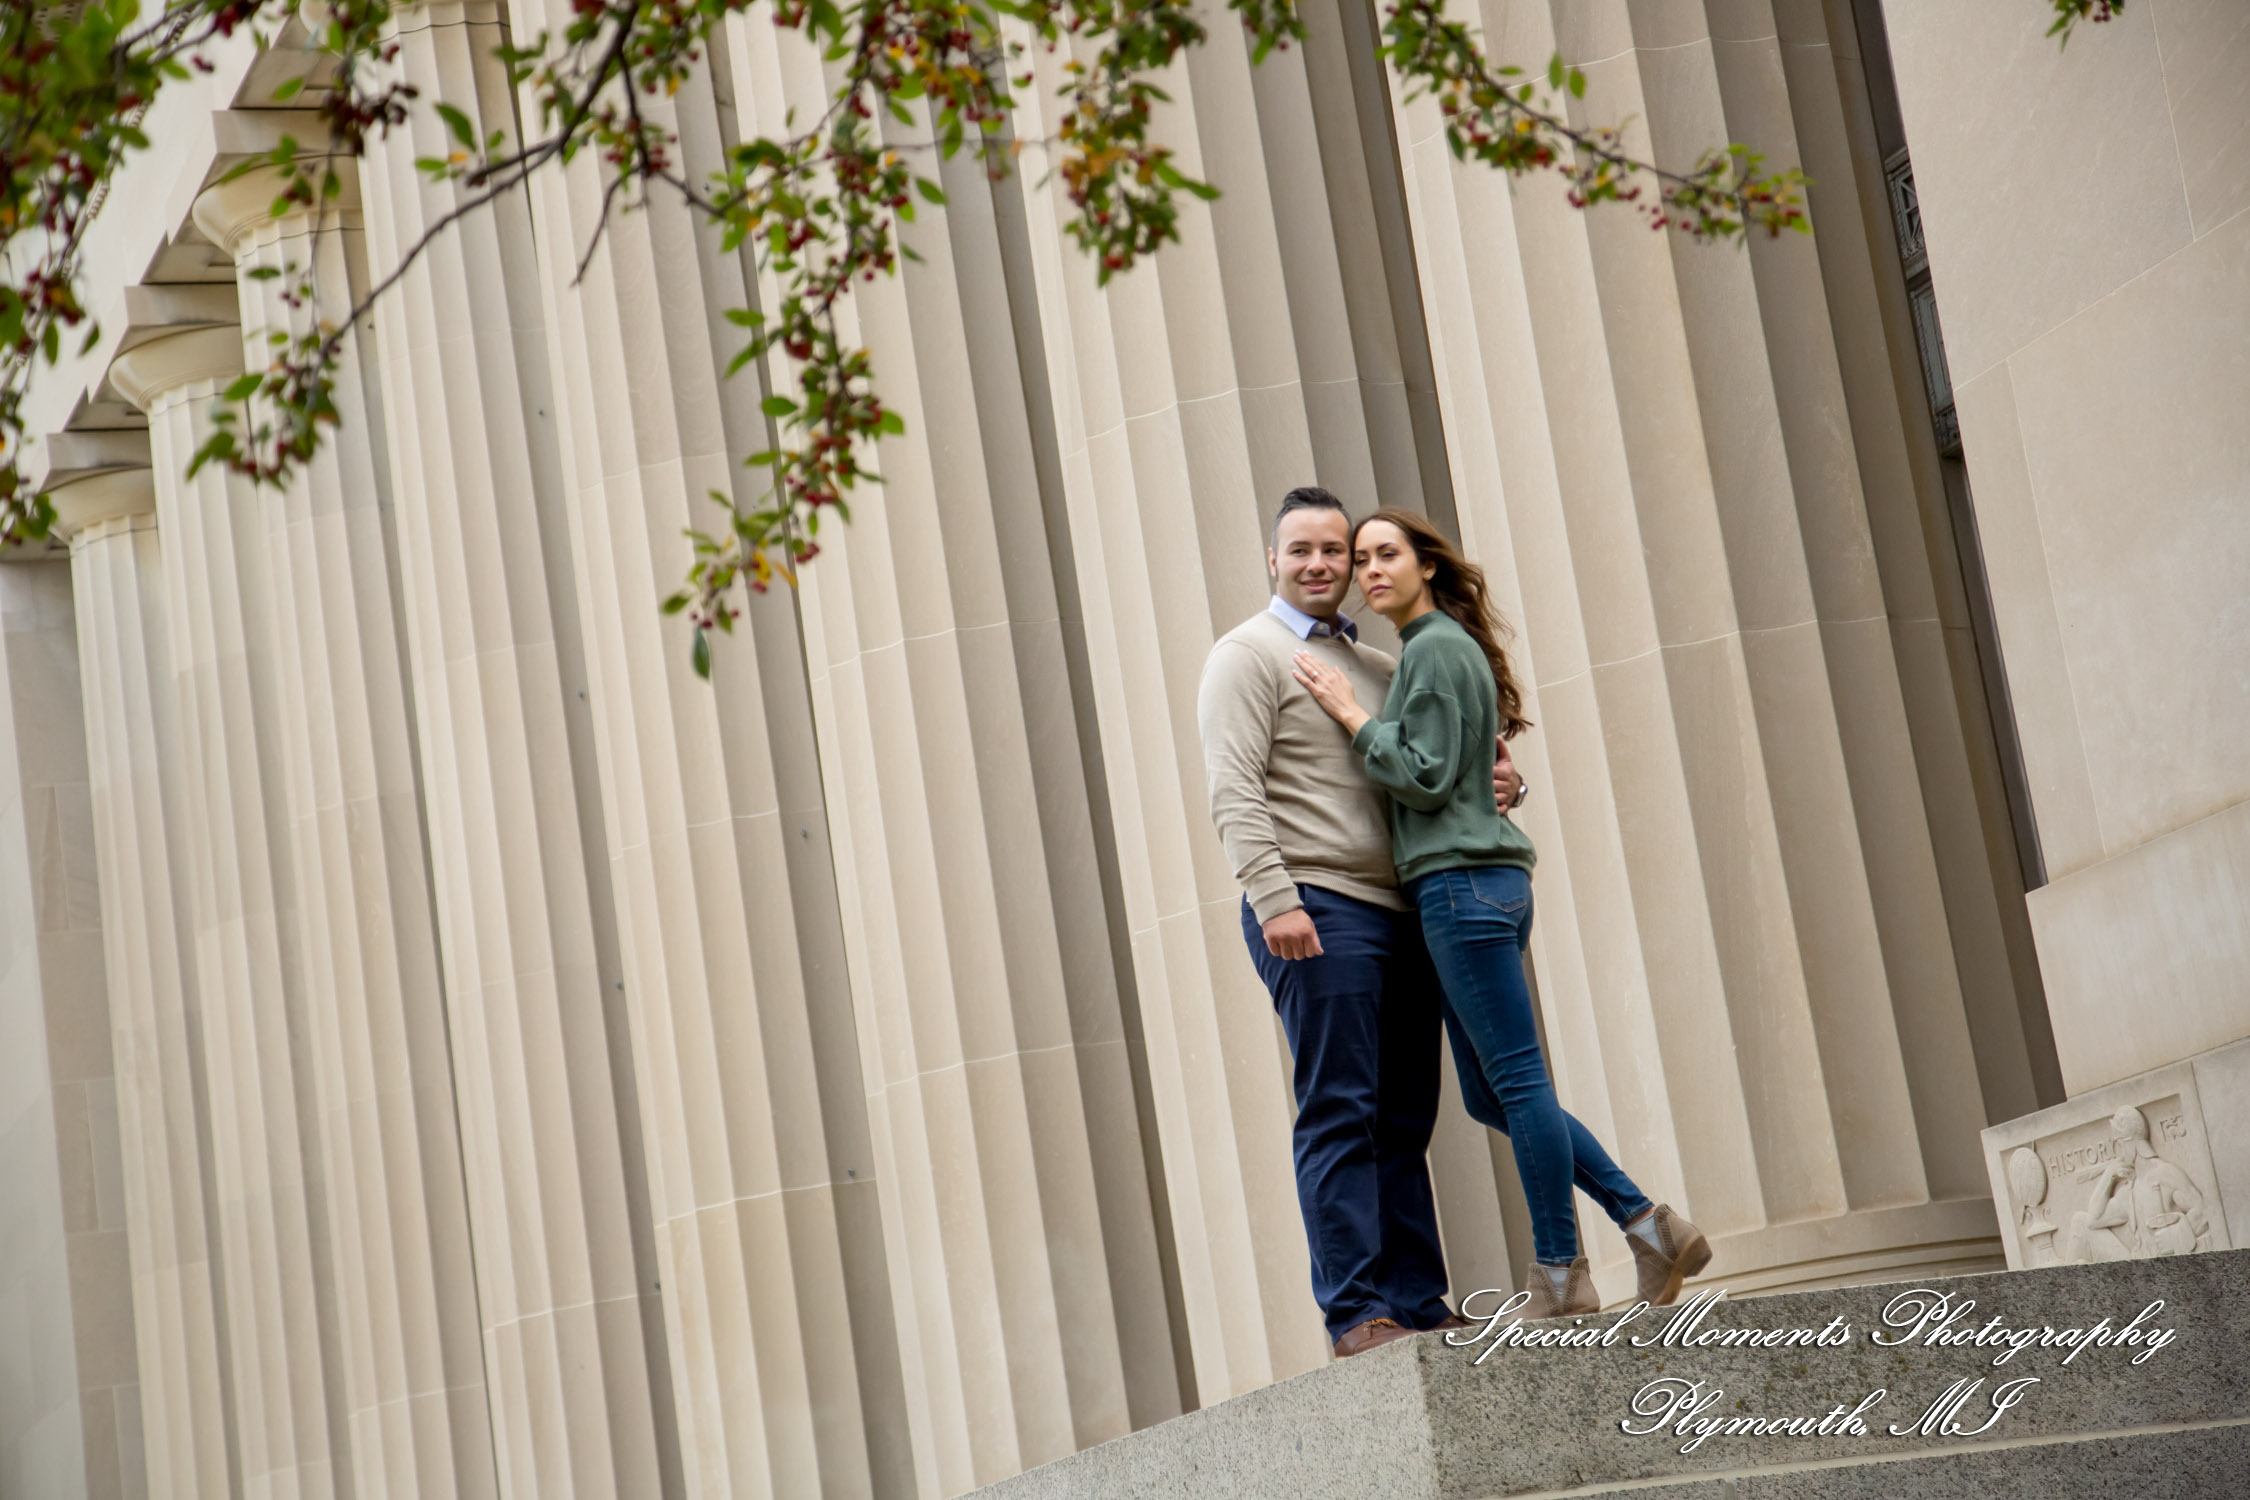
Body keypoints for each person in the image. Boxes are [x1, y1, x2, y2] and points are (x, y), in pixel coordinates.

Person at [1291, 507, 1710, 1318]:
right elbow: (1476, 768)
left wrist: (1350, 715)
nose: (1372, 570)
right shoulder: (1428, 649)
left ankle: (1559, 1273)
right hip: (1471, 885)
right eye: (1364, 559)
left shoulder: (1437, 649)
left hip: (1461, 886)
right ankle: (1647, 1224)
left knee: (1515, 1082)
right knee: (1493, 1093)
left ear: (1429, 568)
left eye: (1389, 556)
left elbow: (1423, 776)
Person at [1197, 487, 1525, 1358]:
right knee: (1340, 1110)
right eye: (1299, 549)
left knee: (1406, 1116)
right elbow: (1232, 790)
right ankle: (1357, 1312)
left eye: (1334, 552)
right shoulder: (1246, 655)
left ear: (1353, 564)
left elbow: (1433, 769)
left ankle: (1419, 1298)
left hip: (1404, 910)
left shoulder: (1377, 666)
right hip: (1315, 906)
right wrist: (1275, 899)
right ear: (1272, 560)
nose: (1318, 564)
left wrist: (1504, 783)